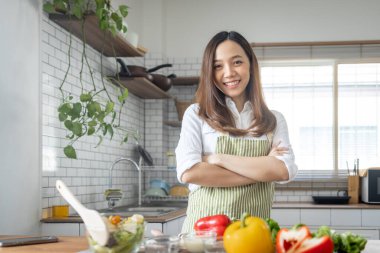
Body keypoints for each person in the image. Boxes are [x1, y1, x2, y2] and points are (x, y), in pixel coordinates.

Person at [175, 31, 298, 233]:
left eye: (237, 62)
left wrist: (217, 159)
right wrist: (262, 172)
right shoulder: (196, 114)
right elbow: (190, 172)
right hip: (201, 240)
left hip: (253, 239)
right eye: (218, 66)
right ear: (209, 72)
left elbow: (283, 170)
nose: (229, 72)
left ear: (250, 64)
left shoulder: (274, 120)